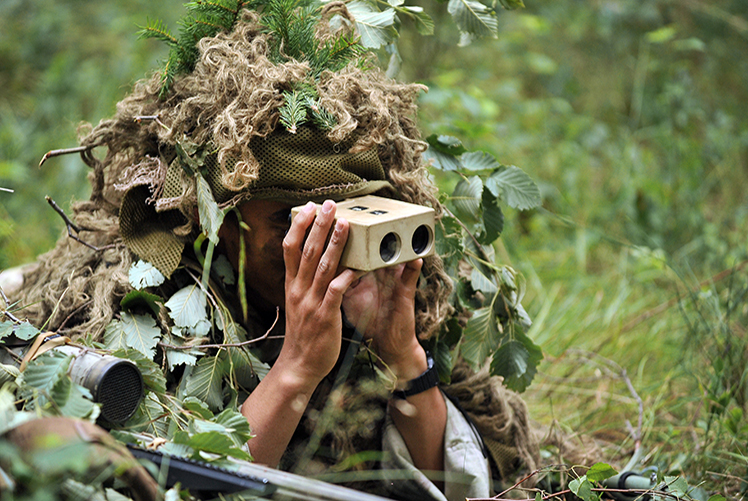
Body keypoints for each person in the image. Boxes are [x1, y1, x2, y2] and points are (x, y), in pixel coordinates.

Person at [4, 4, 540, 500]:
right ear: (222, 221)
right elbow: (172, 485)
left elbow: (460, 485)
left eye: (352, 217)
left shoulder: (392, 287)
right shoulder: (146, 304)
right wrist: (297, 368)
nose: (330, 247)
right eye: (292, 221)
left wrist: (402, 356)